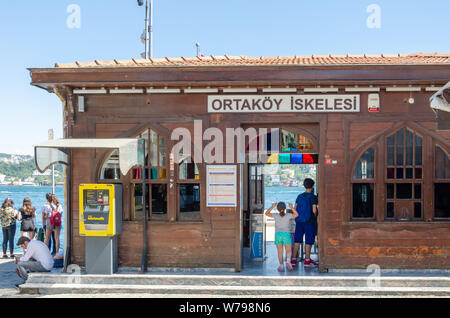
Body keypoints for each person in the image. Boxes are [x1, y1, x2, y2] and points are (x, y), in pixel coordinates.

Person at [292, 178, 318, 267]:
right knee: (309, 241)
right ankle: (307, 260)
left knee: (297, 240)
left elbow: (295, 209)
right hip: (309, 222)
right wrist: (315, 217)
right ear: (312, 186)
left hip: (299, 222)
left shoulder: (299, 196)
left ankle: (293, 260)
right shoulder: (313, 197)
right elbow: (314, 210)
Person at [265, 201, 298, 272]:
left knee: (280, 251)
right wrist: (292, 207)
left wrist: (272, 206)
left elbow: (266, 213)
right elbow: (296, 215)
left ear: (277, 209)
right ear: (285, 208)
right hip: (286, 234)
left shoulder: (275, 215)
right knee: (288, 250)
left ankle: (281, 266)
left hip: (278, 234)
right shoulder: (288, 215)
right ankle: (288, 261)